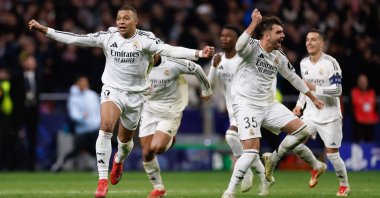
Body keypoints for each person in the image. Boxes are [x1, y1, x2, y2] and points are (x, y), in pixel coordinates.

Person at [28, 5, 214, 198]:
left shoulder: (145, 40)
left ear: (136, 21)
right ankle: (102, 182)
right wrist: (45, 30)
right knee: (106, 126)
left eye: (126, 18)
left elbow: (169, 49)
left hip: (136, 96)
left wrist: (198, 53)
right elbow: (75, 38)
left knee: (124, 143)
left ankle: (118, 159)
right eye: (118, 18)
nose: (121, 22)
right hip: (112, 90)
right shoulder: (108, 37)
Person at [222, 9, 324, 198]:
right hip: (246, 105)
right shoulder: (251, 47)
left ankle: (273, 159)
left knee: (302, 130)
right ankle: (228, 193)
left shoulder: (278, 56)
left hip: (268, 105)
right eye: (279, 32)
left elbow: (294, 78)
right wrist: (253, 23)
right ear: (266, 35)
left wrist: (313, 97)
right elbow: (238, 46)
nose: (283, 36)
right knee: (251, 152)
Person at [208, 25, 273, 196]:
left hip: (248, 106)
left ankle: (246, 173)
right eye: (222, 35)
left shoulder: (245, 59)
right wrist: (214, 68)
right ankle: (264, 177)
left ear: (237, 40)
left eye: (229, 36)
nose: (224, 39)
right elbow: (209, 87)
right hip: (232, 110)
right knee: (248, 150)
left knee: (231, 136)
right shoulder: (218, 59)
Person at [140, 54, 212, 198]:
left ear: (158, 52)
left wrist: (206, 90)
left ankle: (170, 139)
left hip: (170, 111)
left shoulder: (173, 64)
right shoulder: (139, 65)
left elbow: (196, 68)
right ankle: (159, 189)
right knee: (147, 152)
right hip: (148, 111)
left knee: (157, 148)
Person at [292, 29, 350, 196]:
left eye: (314, 39)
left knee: (332, 155)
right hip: (310, 114)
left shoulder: (331, 63)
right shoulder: (303, 63)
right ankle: (317, 166)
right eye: (307, 39)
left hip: (330, 115)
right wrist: (299, 105)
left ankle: (344, 185)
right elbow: (304, 89)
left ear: (322, 43)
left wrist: (314, 88)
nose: (309, 42)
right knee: (293, 142)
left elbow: (337, 90)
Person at [51, 76, 100, 172]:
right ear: (78, 84)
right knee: (77, 150)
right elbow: (73, 114)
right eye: (82, 82)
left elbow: (98, 109)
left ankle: (98, 168)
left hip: (94, 128)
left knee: (97, 149)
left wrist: (99, 122)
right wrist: (82, 117)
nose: (84, 84)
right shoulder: (74, 98)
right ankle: (61, 163)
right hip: (81, 130)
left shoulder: (92, 95)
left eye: (85, 82)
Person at [12, 55, 41, 171]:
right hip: (20, 113)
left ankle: (31, 166)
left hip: (33, 112)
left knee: (33, 139)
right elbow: (14, 96)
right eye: (28, 61)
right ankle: (15, 165)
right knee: (17, 140)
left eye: (32, 61)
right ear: (23, 63)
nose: (30, 63)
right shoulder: (17, 78)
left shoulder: (39, 77)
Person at [351, 74, 378, 143]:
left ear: (367, 82)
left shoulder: (372, 92)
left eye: (364, 82)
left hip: (371, 122)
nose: (363, 83)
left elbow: (375, 107)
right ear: (358, 83)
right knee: (360, 142)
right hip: (359, 122)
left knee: (370, 143)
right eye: (361, 82)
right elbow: (351, 107)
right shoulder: (354, 92)